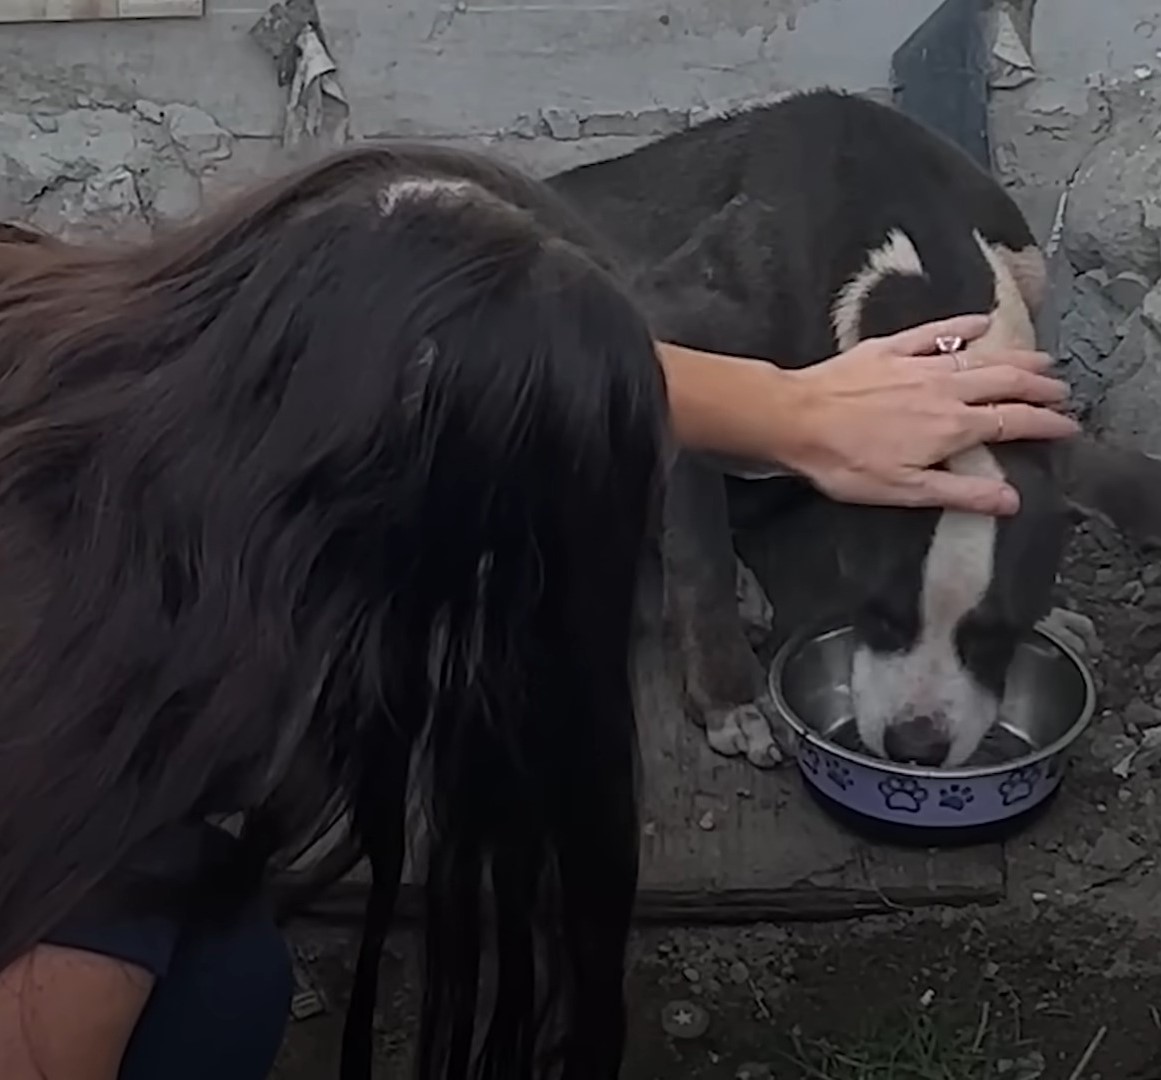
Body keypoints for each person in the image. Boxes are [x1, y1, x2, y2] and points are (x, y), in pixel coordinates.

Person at [0, 146, 1075, 1080]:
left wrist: (784, 409)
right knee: (212, 986)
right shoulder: (89, 774)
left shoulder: (80, 335)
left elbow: (385, 326)